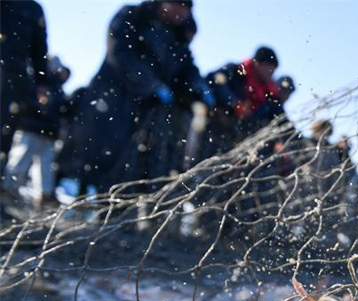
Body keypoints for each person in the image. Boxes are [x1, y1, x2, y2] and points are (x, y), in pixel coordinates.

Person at [57, 0, 213, 193]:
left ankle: (114, 209)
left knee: (130, 167)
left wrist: (200, 88)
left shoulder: (177, 38)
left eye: (187, 8)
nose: (181, 12)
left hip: (146, 111)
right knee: (94, 155)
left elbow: (187, 68)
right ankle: (74, 196)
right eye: (177, 5)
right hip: (111, 98)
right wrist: (152, 85)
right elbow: (120, 54)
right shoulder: (133, 16)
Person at [3, 56, 71, 208]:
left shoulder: (56, 88)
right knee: (20, 161)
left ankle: (44, 196)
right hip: (31, 128)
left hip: (48, 132)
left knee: (45, 167)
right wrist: (40, 110)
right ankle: (8, 190)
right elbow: (27, 102)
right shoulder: (37, 82)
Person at [0, 0, 49, 163]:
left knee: (5, 131)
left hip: (15, 77)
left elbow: (39, 50)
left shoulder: (33, 9)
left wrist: (42, 84)